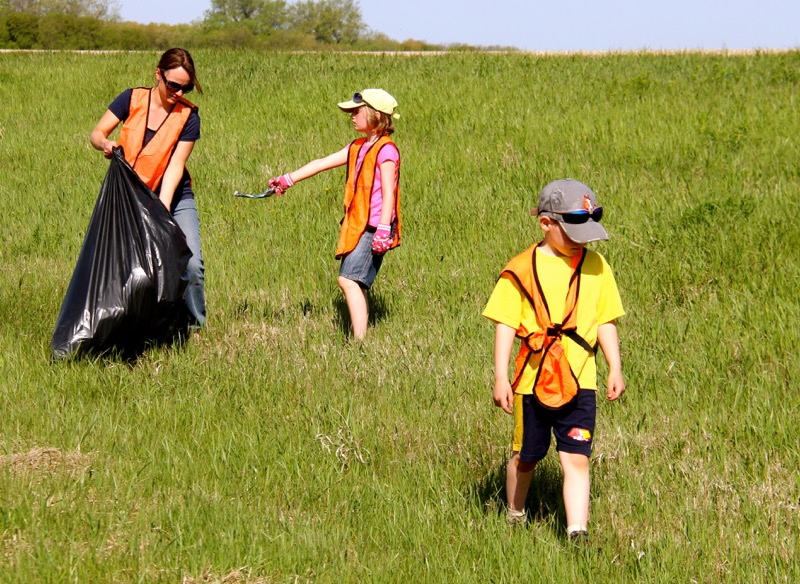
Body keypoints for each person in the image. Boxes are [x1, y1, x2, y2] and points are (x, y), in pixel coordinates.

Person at [482, 179, 625, 543]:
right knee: (526, 456)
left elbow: (605, 319)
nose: (583, 240)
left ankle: (578, 534)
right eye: (574, 230)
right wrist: (501, 377)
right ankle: (514, 515)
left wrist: (615, 366)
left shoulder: (597, 266)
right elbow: (505, 324)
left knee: (576, 458)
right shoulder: (521, 268)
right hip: (531, 384)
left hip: (581, 382)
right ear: (546, 224)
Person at [268, 89, 402, 340]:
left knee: (348, 281)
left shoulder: (386, 150)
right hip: (358, 225)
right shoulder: (357, 147)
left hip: (375, 227)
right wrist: (289, 179)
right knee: (354, 283)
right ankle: (361, 339)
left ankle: (359, 342)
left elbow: (388, 192)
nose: (351, 116)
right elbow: (321, 162)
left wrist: (384, 228)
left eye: (356, 111)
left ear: (375, 115)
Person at [89, 47, 207, 330]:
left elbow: (176, 165)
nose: (178, 92)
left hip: (174, 198)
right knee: (124, 265)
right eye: (173, 85)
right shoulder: (131, 99)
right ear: (158, 74)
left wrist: (162, 210)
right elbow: (96, 133)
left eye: (186, 87)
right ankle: (133, 325)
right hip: (130, 196)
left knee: (191, 264)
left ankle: (194, 327)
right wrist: (106, 144)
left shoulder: (188, 117)